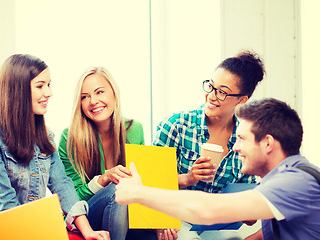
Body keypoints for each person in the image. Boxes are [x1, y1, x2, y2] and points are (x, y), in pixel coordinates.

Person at [115, 98, 320, 240]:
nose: (235, 147)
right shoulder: (281, 181)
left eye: (242, 139)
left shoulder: (296, 182)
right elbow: (261, 236)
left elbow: (208, 210)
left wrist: (139, 193)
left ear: (267, 143)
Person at [0, 54, 109, 240]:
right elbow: (5, 205)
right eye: (40, 86)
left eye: (49, 84)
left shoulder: (45, 135)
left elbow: (62, 185)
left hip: (36, 230)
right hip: (7, 233)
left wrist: (88, 232)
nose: (49, 93)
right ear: (18, 90)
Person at [153, 50, 265, 239]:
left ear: (242, 99)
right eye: (210, 87)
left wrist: (250, 211)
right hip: (176, 219)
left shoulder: (245, 141)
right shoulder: (177, 125)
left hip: (217, 226)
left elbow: (248, 211)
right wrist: (188, 178)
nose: (212, 96)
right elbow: (149, 181)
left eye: (222, 92)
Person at [58, 66, 158, 240]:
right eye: (85, 97)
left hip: (127, 213)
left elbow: (144, 183)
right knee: (117, 189)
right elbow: (71, 196)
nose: (93, 101)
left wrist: (158, 222)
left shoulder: (134, 129)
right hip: (89, 215)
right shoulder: (70, 138)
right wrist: (103, 179)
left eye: (99, 92)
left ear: (113, 93)